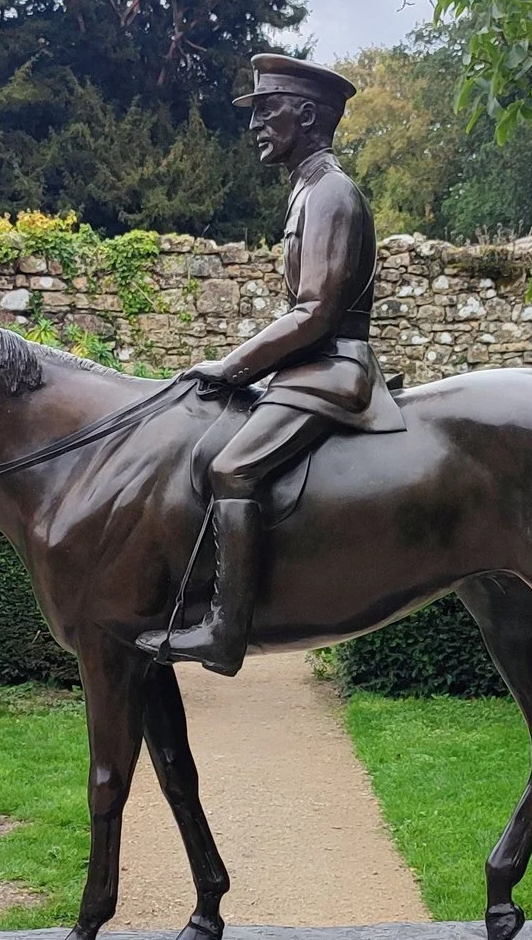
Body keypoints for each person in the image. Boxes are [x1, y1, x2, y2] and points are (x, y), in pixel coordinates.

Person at [135, 53, 405, 676]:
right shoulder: (307, 191)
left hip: (331, 372)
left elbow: (315, 312)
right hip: (305, 374)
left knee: (231, 468)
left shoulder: (332, 192)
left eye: (266, 110)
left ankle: (226, 633)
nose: (256, 123)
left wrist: (232, 366)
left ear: (306, 115)